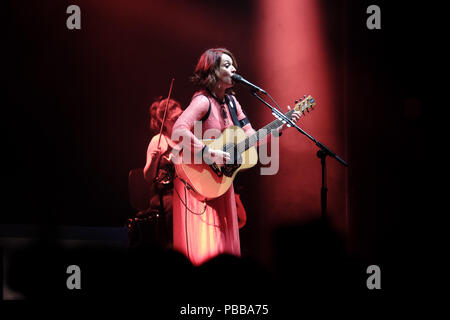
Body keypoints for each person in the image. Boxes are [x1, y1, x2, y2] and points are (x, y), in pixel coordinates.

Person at [171, 48, 301, 265]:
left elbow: (251, 138)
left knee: (224, 244)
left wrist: (280, 126)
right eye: (227, 65)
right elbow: (178, 130)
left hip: (221, 182)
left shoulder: (232, 102)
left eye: (234, 65)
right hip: (201, 181)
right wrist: (208, 151)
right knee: (209, 246)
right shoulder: (203, 101)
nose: (234, 69)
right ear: (212, 71)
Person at [140, 97, 183, 248]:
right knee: (175, 206)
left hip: (185, 191)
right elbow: (148, 177)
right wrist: (153, 160)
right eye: (174, 119)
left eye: (181, 116)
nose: (179, 121)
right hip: (166, 195)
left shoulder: (186, 139)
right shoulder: (158, 140)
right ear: (164, 122)